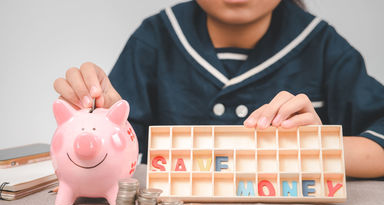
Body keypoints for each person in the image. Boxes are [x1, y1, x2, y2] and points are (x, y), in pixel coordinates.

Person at [53, 0, 384, 178]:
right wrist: (99, 121)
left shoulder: (323, 45)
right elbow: (121, 156)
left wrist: (318, 150)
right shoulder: (155, 38)